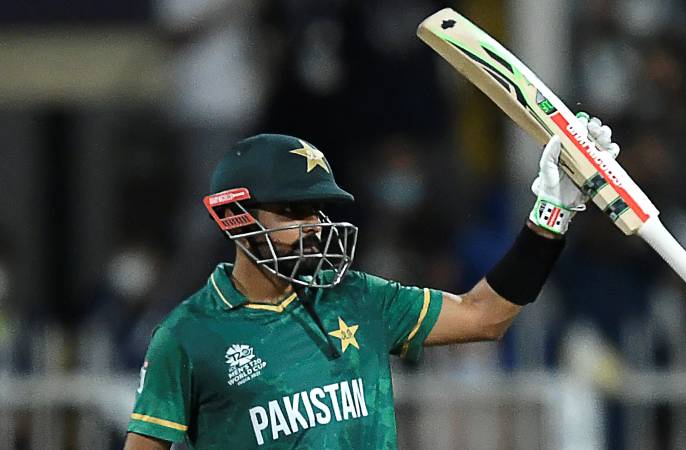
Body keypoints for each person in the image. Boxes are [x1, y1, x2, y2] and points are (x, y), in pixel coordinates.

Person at [123, 115, 619, 449]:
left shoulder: (356, 296)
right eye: (292, 211)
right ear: (235, 216)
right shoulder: (186, 336)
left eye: (316, 210)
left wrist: (552, 211)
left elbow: (484, 316)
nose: (315, 225)